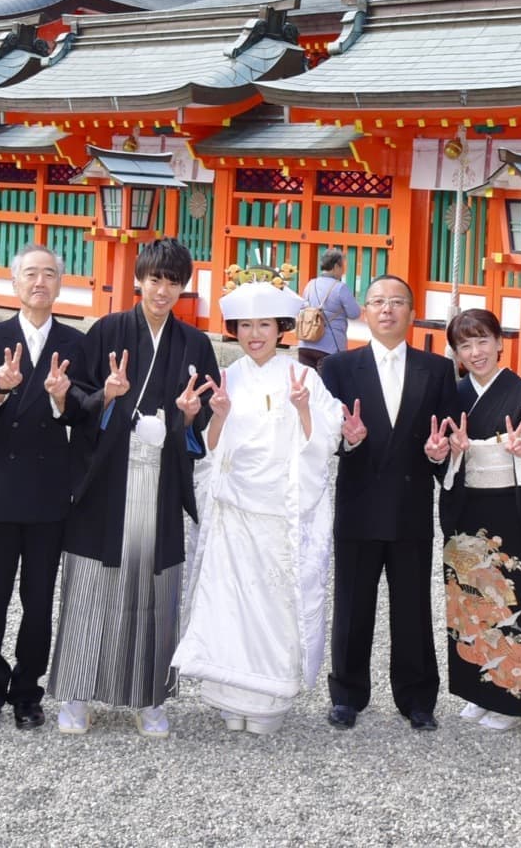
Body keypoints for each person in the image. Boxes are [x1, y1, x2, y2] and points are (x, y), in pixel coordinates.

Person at [53, 237, 216, 737]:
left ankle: (149, 696)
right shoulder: (107, 331)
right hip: (107, 477)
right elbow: (76, 395)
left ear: (183, 287)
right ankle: (77, 694)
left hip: (161, 477)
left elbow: (203, 408)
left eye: (173, 281)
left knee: (154, 588)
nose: (162, 290)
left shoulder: (195, 344)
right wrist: (106, 396)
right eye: (155, 279)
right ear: (137, 280)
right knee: (89, 585)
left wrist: (191, 417)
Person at [173, 279, 344, 733]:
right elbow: (210, 451)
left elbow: (326, 441)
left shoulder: (304, 376)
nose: (254, 334)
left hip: (278, 512)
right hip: (234, 508)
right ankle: (228, 696)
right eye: (245, 325)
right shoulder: (228, 375)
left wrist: (304, 409)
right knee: (230, 603)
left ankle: (269, 697)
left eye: (264, 325)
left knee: (272, 608)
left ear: (281, 328)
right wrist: (220, 416)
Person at [0, 244, 88, 731]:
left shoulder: (77, 343)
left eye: (49, 274)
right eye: (30, 275)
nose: (40, 282)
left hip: (50, 488)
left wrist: (63, 399)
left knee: (38, 598)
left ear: (60, 283)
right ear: (14, 285)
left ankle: (27, 692)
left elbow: (89, 407)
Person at [319, 274, 451, 732]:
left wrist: (440, 455)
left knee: (413, 605)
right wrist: (346, 442)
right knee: (352, 604)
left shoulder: (436, 370)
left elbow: (446, 437)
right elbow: (320, 438)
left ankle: (417, 698)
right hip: (358, 503)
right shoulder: (336, 369)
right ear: (366, 312)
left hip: (411, 504)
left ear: (412, 314)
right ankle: (346, 694)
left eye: (397, 302)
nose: (387, 309)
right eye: (377, 302)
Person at [433, 307, 521, 732]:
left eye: (482, 339)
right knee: (469, 600)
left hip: (511, 510)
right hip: (468, 508)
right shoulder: (453, 395)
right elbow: (436, 449)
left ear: (499, 341)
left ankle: (508, 698)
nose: (475, 351)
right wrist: (449, 452)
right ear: (457, 352)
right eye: (465, 344)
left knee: (510, 601)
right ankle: (475, 689)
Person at [295, 248, 362, 370]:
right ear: (336, 266)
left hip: (305, 343)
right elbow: (354, 313)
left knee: (307, 384)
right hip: (330, 346)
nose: (343, 270)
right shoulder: (340, 288)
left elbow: (302, 307)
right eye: (342, 266)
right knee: (327, 387)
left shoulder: (311, 284)